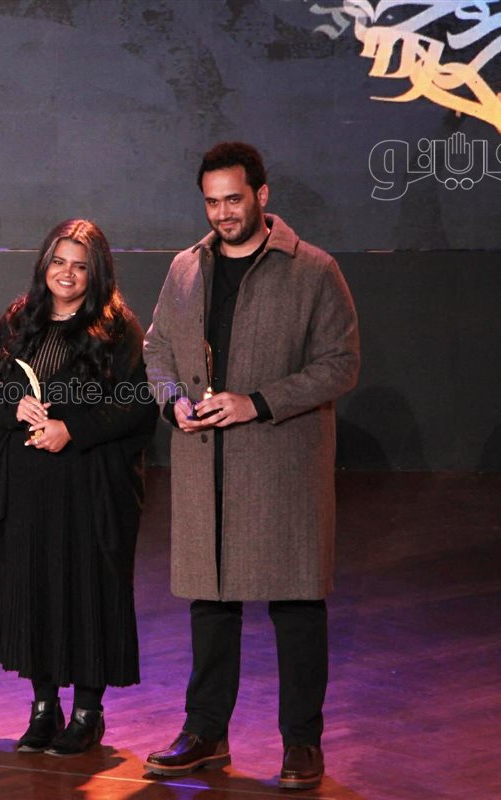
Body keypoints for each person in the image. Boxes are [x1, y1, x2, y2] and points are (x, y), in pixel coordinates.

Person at [141, 142, 359, 789]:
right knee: (210, 604)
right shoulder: (186, 267)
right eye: (211, 202)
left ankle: (302, 743)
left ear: (262, 195)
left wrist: (256, 403)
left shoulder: (312, 269)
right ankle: (206, 733)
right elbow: (156, 350)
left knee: (296, 604)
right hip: (203, 462)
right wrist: (172, 401)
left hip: (280, 467)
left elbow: (340, 365)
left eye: (233, 199)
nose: (222, 213)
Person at [0, 219, 157, 756]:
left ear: (97, 272)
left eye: (79, 265)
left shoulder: (118, 328)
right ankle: (44, 708)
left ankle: (88, 713)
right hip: (28, 489)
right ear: (44, 265)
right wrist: (13, 406)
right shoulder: (17, 320)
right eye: (58, 262)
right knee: (36, 592)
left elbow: (138, 406)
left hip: (88, 488)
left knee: (86, 593)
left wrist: (72, 428)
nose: (67, 274)